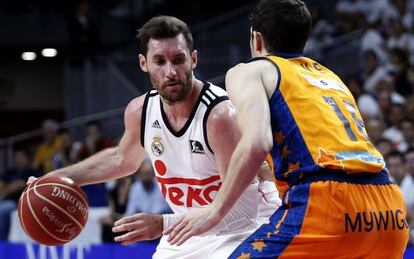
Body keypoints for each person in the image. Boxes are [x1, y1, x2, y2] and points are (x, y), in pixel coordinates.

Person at [166, 1, 409, 258]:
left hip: (328, 205)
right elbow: (327, 155)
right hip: (388, 210)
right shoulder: (330, 77)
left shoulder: (250, 70)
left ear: (256, 39)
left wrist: (215, 210)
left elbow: (257, 142)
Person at [30, 15, 279, 258]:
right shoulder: (140, 111)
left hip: (250, 228)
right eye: (159, 61)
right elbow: (122, 159)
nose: (170, 71)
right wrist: (60, 177)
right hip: (189, 231)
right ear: (143, 63)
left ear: (193, 59)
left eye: (178, 60)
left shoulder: (219, 116)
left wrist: (162, 224)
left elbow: (243, 213)